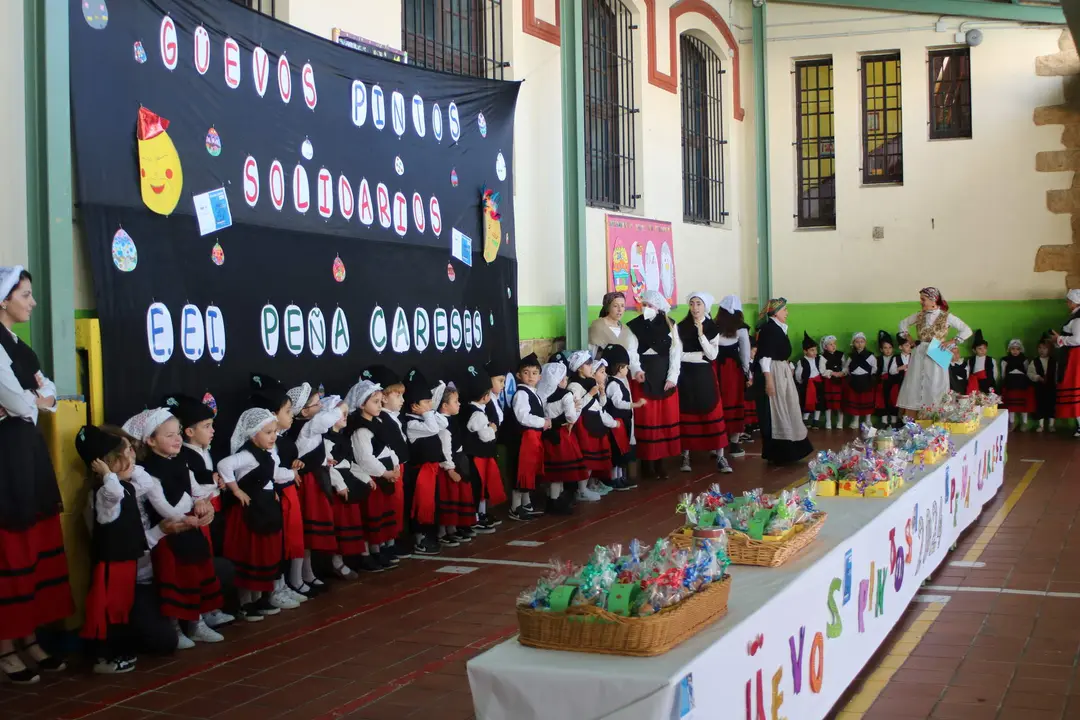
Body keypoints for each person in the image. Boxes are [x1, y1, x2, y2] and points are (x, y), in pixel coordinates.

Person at [0, 266, 72, 683]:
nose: (33, 302)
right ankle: (6, 646)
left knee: (30, 541)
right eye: (25, 295)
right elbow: (18, 401)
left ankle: (28, 637)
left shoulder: (19, 347)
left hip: (25, 449)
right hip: (6, 454)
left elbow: (49, 393)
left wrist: (34, 400)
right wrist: (33, 400)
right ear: (3, 299)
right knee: (10, 543)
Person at [122, 409, 224, 646]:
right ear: (150, 440)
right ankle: (175, 628)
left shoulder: (181, 461)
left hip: (189, 528)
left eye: (178, 433)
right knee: (176, 581)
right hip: (169, 533)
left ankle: (197, 624)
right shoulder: (149, 471)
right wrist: (188, 518)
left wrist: (202, 503)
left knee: (195, 576)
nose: (178, 439)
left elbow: (194, 489)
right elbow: (162, 506)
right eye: (169, 436)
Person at [77, 426, 146, 675]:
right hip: (110, 562)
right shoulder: (106, 492)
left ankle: (120, 650)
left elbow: (144, 481)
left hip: (125, 559)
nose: (132, 457)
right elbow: (113, 492)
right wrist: (107, 475)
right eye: (126, 453)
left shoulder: (126, 486)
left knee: (122, 606)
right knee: (107, 607)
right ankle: (104, 657)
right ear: (107, 463)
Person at [217, 408, 286, 620]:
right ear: (253, 434)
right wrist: (236, 490)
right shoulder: (247, 455)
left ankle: (259, 598)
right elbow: (223, 465)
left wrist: (271, 488)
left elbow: (268, 475)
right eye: (268, 432)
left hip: (264, 509)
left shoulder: (265, 453)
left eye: (274, 432)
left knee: (264, 554)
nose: (273, 436)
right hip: (250, 513)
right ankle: (245, 602)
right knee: (250, 554)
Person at [249, 375, 309, 603]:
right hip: (269, 499)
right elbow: (271, 471)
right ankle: (269, 592)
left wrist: (294, 467)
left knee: (283, 543)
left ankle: (282, 584)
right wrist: (291, 473)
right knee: (270, 547)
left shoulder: (280, 441)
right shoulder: (262, 446)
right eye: (287, 411)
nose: (292, 415)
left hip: (282, 494)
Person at [627, 290, 682, 480]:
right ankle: (646, 463)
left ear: (658, 308)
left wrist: (672, 377)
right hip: (644, 375)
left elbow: (675, 352)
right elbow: (632, 352)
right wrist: (636, 370)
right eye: (644, 305)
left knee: (663, 420)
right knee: (647, 419)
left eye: (650, 305)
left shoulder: (670, 324)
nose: (646, 308)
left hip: (663, 374)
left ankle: (660, 462)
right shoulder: (634, 326)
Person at [343, 379, 398, 569]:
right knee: (370, 518)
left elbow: (387, 447)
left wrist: (395, 465)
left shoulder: (377, 422)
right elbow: (364, 458)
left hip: (384, 476)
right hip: (372, 478)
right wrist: (384, 472)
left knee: (381, 516)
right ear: (361, 404)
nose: (380, 405)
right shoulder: (360, 429)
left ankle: (378, 549)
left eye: (380, 401)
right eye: (375, 402)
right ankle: (366, 554)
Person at [676, 292, 731, 474]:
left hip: (704, 376)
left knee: (711, 410)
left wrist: (701, 335)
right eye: (692, 303)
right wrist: (699, 356)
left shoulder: (712, 327)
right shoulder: (681, 327)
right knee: (687, 413)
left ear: (705, 306)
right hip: (686, 375)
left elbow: (712, 355)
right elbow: (679, 355)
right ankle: (685, 455)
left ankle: (720, 456)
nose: (695, 307)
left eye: (698, 303)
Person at [755, 299, 813, 465]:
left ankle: (792, 448)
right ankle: (779, 452)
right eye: (784, 309)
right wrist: (769, 380)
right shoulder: (769, 329)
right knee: (777, 408)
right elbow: (764, 357)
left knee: (788, 406)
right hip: (773, 371)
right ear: (776, 312)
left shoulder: (778, 328)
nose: (787, 312)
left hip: (781, 369)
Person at [896, 287, 973, 414]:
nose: (921, 302)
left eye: (923, 299)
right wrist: (909, 338)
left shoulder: (947, 316)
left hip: (937, 351)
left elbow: (966, 330)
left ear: (933, 300)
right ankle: (915, 415)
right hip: (920, 351)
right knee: (916, 381)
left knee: (936, 383)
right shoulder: (919, 315)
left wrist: (951, 341)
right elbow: (902, 324)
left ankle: (934, 415)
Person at [359, 365, 407, 562]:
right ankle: (376, 549)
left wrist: (394, 465)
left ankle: (389, 543)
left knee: (391, 509)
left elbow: (391, 448)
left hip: (392, 470)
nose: (402, 400)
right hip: (378, 474)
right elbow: (367, 455)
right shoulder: (366, 426)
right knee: (377, 512)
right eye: (398, 395)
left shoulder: (385, 420)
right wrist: (386, 472)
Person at [403, 368, 447, 554]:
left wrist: (430, 411)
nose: (431, 405)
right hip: (419, 473)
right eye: (426, 402)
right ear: (414, 406)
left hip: (432, 470)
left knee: (432, 504)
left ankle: (431, 535)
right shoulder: (412, 424)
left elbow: (443, 423)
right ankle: (420, 539)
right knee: (421, 505)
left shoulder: (428, 416)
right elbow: (432, 429)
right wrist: (428, 414)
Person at [566, 353, 618, 496]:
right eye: (588, 365)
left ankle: (589, 485)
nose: (590, 367)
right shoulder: (574, 385)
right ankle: (581, 490)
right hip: (583, 423)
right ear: (579, 368)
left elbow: (599, 405)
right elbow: (577, 407)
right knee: (587, 458)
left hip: (594, 421)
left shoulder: (590, 382)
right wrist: (590, 394)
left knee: (594, 458)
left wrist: (601, 393)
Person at [539, 361, 587, 512]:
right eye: (564, 378)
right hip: (562, 435)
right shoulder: (566, 395)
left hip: (547, 435)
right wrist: (577, 408)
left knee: (553, 471)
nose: (566, 381)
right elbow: (571, 417)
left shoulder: (541, 395)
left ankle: (552, 498)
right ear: (559, 380)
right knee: (559, 472)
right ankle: (555, 502)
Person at [461, 365, 504, 533]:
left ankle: (481, 513)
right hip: (476, 456)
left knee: (482, 486)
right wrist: (492, 429)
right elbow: (485, 436)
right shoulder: (477, 414)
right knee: (477, 487)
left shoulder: (473, 409)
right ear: (485, 397)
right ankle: (475, 518)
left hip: (480, 456)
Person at [505, 354, 547, 520]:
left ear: (540, 376)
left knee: (529, 471)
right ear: (518, 375)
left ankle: (526, 503)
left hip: (532, 439)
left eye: (534, 373)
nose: (530, 376)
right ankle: (515, 507)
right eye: (526, 372)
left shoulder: (533, 393)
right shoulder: (521, 394)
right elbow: (523, 417)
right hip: (523, 439)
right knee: (521, 472)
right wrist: (543, 422)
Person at [434, 382, 476, 546]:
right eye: (455, 401)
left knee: (456, 496)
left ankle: (453, 529)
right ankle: (442, 532)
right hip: (448, 467)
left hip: (458, 461)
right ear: (444, 406)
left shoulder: (452, 420)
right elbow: (444, 448)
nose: (459, 404)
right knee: (447, 498)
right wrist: (450, 469)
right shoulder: (443, 425)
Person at [714, 295, 752, 457]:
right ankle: (734, 444)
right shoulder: (741, 328)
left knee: (717, 404)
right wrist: (747, 373)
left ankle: (716, 444)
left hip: (715, 368)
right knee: (735, 403)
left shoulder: (713, 326)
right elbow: (745, 354)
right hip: (733, 370)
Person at [601, 344, 640, 491]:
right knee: (616, 452)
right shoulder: (613, 385)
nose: (627, 370)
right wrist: (634, 405)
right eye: (625, 367)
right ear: (618, 368)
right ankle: (614, 479)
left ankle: (620, 477)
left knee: (622, 451)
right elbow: (617, 403)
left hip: (623, 423)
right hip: (616, 423)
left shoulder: (620, 382)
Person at [1052, 289, 1080, 437]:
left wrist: (1060, 339)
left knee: (1075, 389)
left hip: (1076, 357)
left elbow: (1077, 339)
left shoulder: (1078, 319)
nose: (1067, 303)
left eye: (1069, 301)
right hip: (1073, 356)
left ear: (1075, 302)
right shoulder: (1074, 317)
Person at [842, 332, 878, 431]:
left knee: (867, 401)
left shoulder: (870, 356)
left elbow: (874, 367)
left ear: (865, 343)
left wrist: (870, 377)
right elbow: (846, 367)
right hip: (854, 381)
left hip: (866, 381)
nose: (859, 344)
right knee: (856, 401)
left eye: (862, 342)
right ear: (853, 343)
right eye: (857, 342)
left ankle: (868, 420)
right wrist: (844, 373)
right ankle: (855, 420)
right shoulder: (851, 356)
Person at [1001, 339, 1034, 431]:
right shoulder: (1005, 360)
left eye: (1017, 349)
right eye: (1013, 349)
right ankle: (1012, 422)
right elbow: (1003, 373)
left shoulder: (1024, 359)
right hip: (1010, 384)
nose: (1015, 351)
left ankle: (1024, 422)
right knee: (1011, 404)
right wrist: (1004, 383)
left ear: (1021, 349)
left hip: (1022, 384)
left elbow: (1027, 371)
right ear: (1009, 349)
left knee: (1023, 404)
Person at [589, 292, 631, 356]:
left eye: (622, 306)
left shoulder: (626, 329)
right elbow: (592, 351)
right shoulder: (598, 326)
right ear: (608, 307)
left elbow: (632, 352)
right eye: (615, 306)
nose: (620, 310)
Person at [795, 331, 823, 427]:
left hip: (818, 383)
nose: (815, 352)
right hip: (807, 385)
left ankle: (816, 420)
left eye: (815, 350)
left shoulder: (819, 359)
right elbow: (798, 374)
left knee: (818, 402)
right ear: (805, 351)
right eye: (812, 350)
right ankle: (805, 420)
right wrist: (803, 382)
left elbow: (822, 369)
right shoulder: (802, 361)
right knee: (807, 401)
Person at [1029, 334, 1057, 433]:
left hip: (1051, 387)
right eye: (1040, 348)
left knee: (1051, 405)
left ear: (1049, 349)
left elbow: (1057, 373)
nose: (1042, 350)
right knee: (1040, 404)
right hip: (1039, 387)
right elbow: (1030, 373)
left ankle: (1051, 425)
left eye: (1044, 348)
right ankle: (1040, 425)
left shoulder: (1054, 361)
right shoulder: (1035, 361)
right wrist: (1038, 377)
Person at [818, 335, 846, 430]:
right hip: (829, 382)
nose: (833, 346)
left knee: (840, 403)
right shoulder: (823, 357)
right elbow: (822, 370)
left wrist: (842, 372)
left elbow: (845, 366)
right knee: (828, 403)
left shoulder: (840, 354)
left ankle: (840, 422)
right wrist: (832, 373)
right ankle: (828, 422)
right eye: (830, 344)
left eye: (834, 344)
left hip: (840, 381)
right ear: (825, 347)